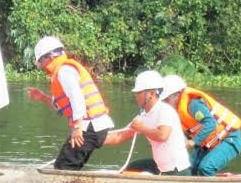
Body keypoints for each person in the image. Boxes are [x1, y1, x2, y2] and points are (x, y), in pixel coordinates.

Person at [27, 36, 114, 170]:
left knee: (63, 167)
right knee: (69, 165)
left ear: (49, 57)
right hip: (92, 126)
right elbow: (63, 105)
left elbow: (77, 98)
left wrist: (77, 127)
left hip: (89, 126)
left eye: (40, 62)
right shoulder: (63, 71)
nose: (42, 67)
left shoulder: (64, 71)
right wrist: (42, 97)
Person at [103, 70, 190, 175]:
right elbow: (119, 136)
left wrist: (142, 129)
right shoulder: (143, 116)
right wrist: (93, 140)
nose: (136, 96)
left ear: (151, 94)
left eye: (139, 93)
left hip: (177, 170)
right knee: (130, 168)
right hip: (162, 167)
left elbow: (163, 135)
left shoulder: (164, 110)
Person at [159, 74, 241, 176]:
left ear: (177, 95)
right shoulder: (178, 110)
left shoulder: (193, 105)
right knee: (187, 168)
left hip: (230, 140)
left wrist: (193, 142)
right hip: (209, 144)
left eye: (167, 100)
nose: (166, 103)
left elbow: (210, 123)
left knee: (205, 168)